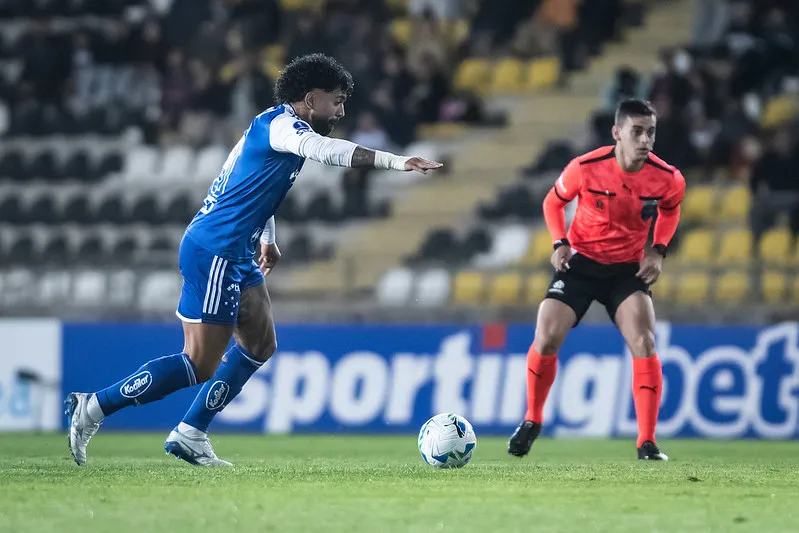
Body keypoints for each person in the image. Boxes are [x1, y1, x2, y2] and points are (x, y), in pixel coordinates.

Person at [65, 53, 442, 467]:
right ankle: (94, 407)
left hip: (237, 249)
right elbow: (326, 151)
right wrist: (396, 161)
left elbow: (249, 183)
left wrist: (267, 237)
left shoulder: (270, 124)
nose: (341, 111)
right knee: (199, 363)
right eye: (336, 101)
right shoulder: (285, 128)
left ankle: (191, 433)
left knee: (260, 344)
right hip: (217, 250)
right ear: (310, 99)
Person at [507, 99, 685, 461]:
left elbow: (670, 210)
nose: (645, 140)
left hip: (626, 270)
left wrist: (658, 250)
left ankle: (647, 442)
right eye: (637, 131)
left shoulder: (667, 177)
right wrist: (559, 242)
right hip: (581, 264)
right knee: (547, 335)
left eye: (651, 132)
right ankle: (532, 419)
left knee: (644, 341)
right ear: (617, 132)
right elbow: (552, 203)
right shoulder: (585, 167)